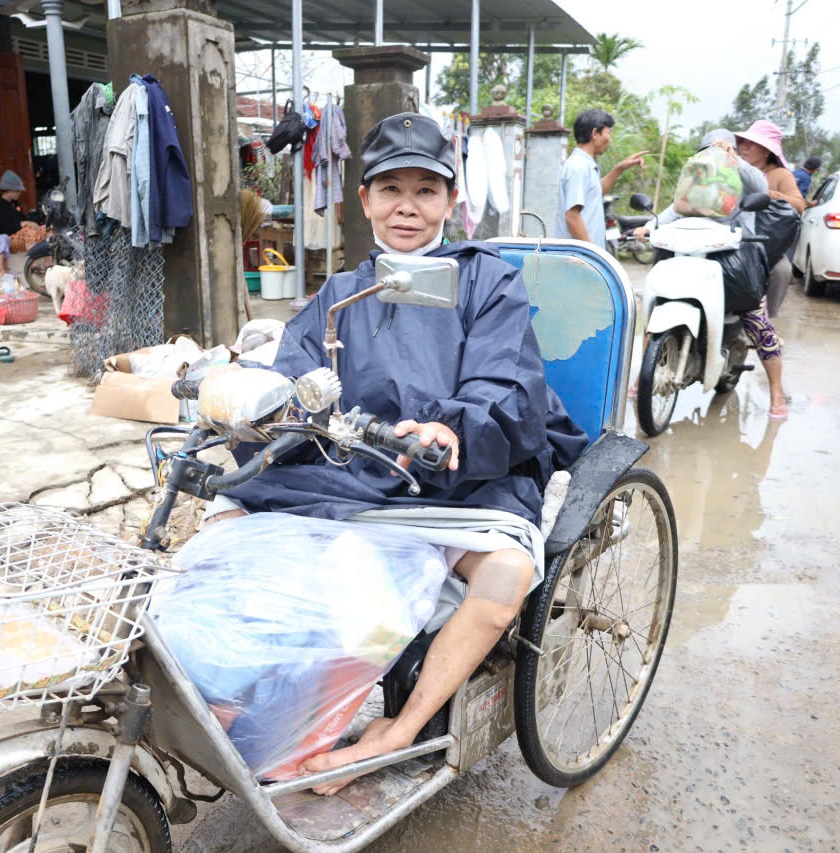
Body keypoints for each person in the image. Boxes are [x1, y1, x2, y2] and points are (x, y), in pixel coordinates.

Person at [209, 112, 588, 794]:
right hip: (353, 469)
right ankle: (236, 685)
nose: (406, 206)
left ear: (450, 201)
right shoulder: (340, 290)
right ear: (366, 200)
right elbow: (293, 370)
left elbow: (504, 383)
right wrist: (252, 397)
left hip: (458, 478)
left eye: (425, 190)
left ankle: (398, 728)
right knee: (228, 524)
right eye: (390, 189)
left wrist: (453, 430)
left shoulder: (487, 281)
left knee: (504, 577)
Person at [632, 129, 790, 421]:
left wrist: (734, 160)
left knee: (758, 322)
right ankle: (643, 376)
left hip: (735, 263)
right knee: (654, 315)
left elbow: (760, 187)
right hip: (692, 259)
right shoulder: (697, 180)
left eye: (717, 150)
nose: (712, 157)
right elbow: (675, 209)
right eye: (706, 152)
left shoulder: (743, 176)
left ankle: (777, 394)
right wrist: (648, 227)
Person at [735, 121, 805, 318]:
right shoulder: (731, 167)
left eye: (752, 143)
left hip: (765, 242)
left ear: (766, 151)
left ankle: (766, 320)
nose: (744, 147)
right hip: (730, 235)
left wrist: (766, 194)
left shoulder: (780, 175)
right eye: (743, 142)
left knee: (782, 271)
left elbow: (798, 205)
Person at [553, 109, 648, 246]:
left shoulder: (585, 164)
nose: (610, 139)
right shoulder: (579, 167)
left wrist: (620, 168)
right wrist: (592, 254)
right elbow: (572, 216)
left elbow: (598, 189)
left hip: (582, 257)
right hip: (579, 258)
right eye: (608, 133)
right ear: (595, 133)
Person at [0, 170, 46, 253]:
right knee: (29, 232)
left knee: (46, 230)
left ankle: (48, 262)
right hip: (7, 240)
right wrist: (22, 224)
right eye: (17, 191)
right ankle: (32, 263)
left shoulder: (14, 203)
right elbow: (4, 228)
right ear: (8, 189)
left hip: (21, 235)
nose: (20, 193)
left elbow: (22, 218)